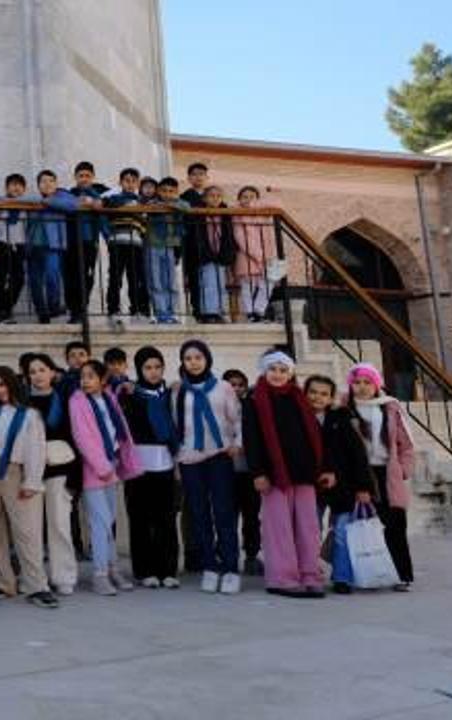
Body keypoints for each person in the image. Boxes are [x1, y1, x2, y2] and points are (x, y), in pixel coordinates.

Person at [241, 351, 330, 598]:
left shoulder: (299, 398)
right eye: (273, 369)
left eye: (283, 370)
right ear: (264, 371)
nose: (278, 375)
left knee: (308, 527)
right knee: (278, 528)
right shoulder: (254, 399)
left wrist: (321, 468)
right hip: (273, 475)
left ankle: (309, 574)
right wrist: (258, 472)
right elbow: (252, 439)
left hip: (304, 473)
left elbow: (314, 435)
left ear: (290, 373)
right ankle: (282, 578)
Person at [0, 366, 54, 607]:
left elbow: (36, 449)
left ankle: (37, 585)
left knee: (26, 531)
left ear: (12, 384)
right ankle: (1, 582)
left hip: (16, 472)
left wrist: (32, 481)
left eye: (2, 384)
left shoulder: (29, 415)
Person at [172, 340, 243, 595]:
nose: (193, 362)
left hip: (219, 456)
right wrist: (177, 461)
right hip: (190, 459)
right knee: (200, 516)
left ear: (207, 359)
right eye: (188, 358)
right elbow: (175, 424)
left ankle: (231, 567)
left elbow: (237, 418)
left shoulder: (223, 387)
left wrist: (237, 443)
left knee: (224, 513)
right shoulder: (179, 390)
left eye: (198, 357)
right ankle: (210, 567)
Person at [69, 360, 143, 596]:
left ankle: (113, 569)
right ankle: (100, 574)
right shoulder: (77, 402)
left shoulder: (109, 399)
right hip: (94, 470)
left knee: (109, 521)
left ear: (102, 380)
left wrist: (117, 462)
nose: (85, 381)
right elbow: (83, 438)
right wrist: (102, 467)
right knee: (100, 523)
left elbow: (119, 429)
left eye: (90, 376)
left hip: (111, 464)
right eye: (83, 376)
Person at [344, 362, 416, 590]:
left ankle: (402, 574)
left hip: (388, 473)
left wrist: (404, 469)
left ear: (376, 384)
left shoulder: (390, 407)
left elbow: (406, 443)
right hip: (360, 474)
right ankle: (368, 572)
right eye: (357, 383)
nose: (362, 387)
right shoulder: (344, 408)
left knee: (395, 523)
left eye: (367, 382)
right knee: (365, 524)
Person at [302, 375, 374, 594]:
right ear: (305, 394)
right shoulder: (299, 418)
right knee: (310, 531)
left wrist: (363, 487)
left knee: (342, 533)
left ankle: (342, 577)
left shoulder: (341, 418)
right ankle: (310, 573)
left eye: (324, 394)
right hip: (311, 485)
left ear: (332, 398)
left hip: (344, 486)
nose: (318, 397)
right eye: (313, 392)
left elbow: (357, 455)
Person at [120, 347, 180, 589]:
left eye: (157, 367)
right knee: (141, 519)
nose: (153, 372)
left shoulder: (171, 394)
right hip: (138, 466)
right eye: (147, 367)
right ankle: (145, 570)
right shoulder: (130, 394)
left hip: (165, 463)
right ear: (139, 370)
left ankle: (168, 570)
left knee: (166, 518)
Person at [24, 354, 81, 596]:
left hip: (59, 469)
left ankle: (64, 575)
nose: (37, 375)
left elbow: (75, 437)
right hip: (31, 473)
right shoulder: (23, 404)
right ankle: (36, 579)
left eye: (42, 369)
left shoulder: (65, 400)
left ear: (52, 373)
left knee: (59, 524)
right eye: (33, 371)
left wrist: (74, 477)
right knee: (31, 529)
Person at [20, 170, 80, 324]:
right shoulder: (34, 198)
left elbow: (73, 205)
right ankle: (42, 312)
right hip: (33, 245)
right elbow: (14, 199)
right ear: (38, 185)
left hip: (53, 245)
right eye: (43, 181)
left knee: (52, 276)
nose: (47, 184)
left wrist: (47, 202)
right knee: (35, 281)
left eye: (50, 181)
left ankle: (54, 306)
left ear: (56, 184)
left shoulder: (63, 196)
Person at [222, 369, 262, 576]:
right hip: (226, 470)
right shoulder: (218, 407)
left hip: (248, 470)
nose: (235, 389)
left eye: (240, 384)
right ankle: (227, 556)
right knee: (227, 516)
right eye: (231, 384)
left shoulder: (251, 406)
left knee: (251, 516)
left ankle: (251, 556)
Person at [101, 168, 150, 321]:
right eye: (126, 181)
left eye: (133, 181)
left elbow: (145, 221)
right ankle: (113, 309)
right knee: (115, 277)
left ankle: (136, 309)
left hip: (136, 244)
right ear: (120, 182)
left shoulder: (142, 201)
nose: (130, 184)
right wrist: (128, 205)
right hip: (117, 242)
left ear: (137, 184)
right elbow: (105, 203)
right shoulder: (114, 198)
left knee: (135, 278)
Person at [0, 174, 28, 324]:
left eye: (19, 185)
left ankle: (7, 308)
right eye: (12, 184)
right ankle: (0, 313)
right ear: (6, 187)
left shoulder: (26, 206)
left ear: (24, 189)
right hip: (0, 245)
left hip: (19, 246)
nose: (16, 187)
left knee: (19, 279)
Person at [144, 176, 187, 324]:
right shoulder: (153, 203)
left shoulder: (179, 203)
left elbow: (186, 207)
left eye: (171, 191)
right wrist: (164, 205)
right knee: (156, 280)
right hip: (153, 245)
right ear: (158, 191)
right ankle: (161, 313)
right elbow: (148, 207)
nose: (167, 194)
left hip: (171, 245)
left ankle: (172, 312)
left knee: (170, 281)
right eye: (164, 191)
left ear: (176, 192)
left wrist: (171, 204)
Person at [66, 162, 104, 323]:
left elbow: (111, 200)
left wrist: (96, 203)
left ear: (93, 177)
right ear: (75, 177)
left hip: (90, 241)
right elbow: (66, 204)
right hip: (72, 240)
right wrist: (79, 203)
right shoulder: (70, 193)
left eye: (87, 175)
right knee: (72, 276)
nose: (84, 179)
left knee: (88, 276)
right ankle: (74, 310)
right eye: (81, 175)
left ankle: (82, 309)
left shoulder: (100, 191)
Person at [192, 186, 236, 323]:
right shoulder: (200, 213)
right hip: (206, 255)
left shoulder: (225, 214)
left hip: (220, 254)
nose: (215, 198)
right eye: (211, 195)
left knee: (220, 285)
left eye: (218, 196)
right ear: (204, 198)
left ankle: (218, 311)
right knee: (208, 284)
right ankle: (209, 313)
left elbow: (228, 236)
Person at [232, 186, 277, 322]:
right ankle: (250, 313)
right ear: (239, 199)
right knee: (248, 286)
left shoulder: (264, 214)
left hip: (268, 255)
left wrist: (257, 203)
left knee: (269, 283)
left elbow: (279, 205)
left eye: (252, 197)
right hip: (248, 256)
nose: (248, 200)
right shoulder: (237, 214)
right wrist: (258, 256)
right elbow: (240, 238)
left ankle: (259, 311)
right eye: (244, 197)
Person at [179, 162, 209, 319]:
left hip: (210, 243)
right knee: (194, 278)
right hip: (191, 242)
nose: (198, 177)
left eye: (201, 174)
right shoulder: (184, 197)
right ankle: (198, 311)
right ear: (189, 178)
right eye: (195, 174)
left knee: (210, 278)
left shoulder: (212, 196)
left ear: (206, 177)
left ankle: (212, 310)